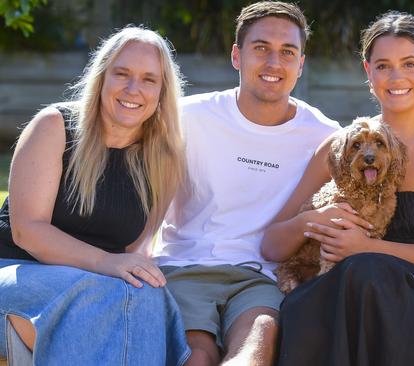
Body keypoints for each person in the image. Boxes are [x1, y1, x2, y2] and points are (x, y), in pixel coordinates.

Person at [262, 11, 414, 366]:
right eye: (383, 66)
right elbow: (272, 243)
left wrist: (366, 247)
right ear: (368, 72)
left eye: (410, 63)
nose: (396, 77)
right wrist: (317, 220)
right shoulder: (340, 148)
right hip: (352, 289)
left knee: (371, 271)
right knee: (319, 295)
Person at [151, 2, 340, 365]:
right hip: (185, 268)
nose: (274, 63)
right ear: (237, 56)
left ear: (301, 64)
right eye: (261, 49)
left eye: (288, 52)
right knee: (197, 357)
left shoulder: (324, 136)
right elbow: (147, 201)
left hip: (261, 279)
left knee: (255, 350)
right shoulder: (187, 117)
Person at [0, 26, 189, 365]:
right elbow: (27, 231)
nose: (133, 89)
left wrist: (124, 268)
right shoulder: (55, 126)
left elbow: (136, 251)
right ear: (102, 77)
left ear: (162, 92)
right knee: (98, 296)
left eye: (149, 79)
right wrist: (108, 263)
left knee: (146, 295)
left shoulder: (164, 159)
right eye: (122, 74)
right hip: (17, 271)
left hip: (98, 287)